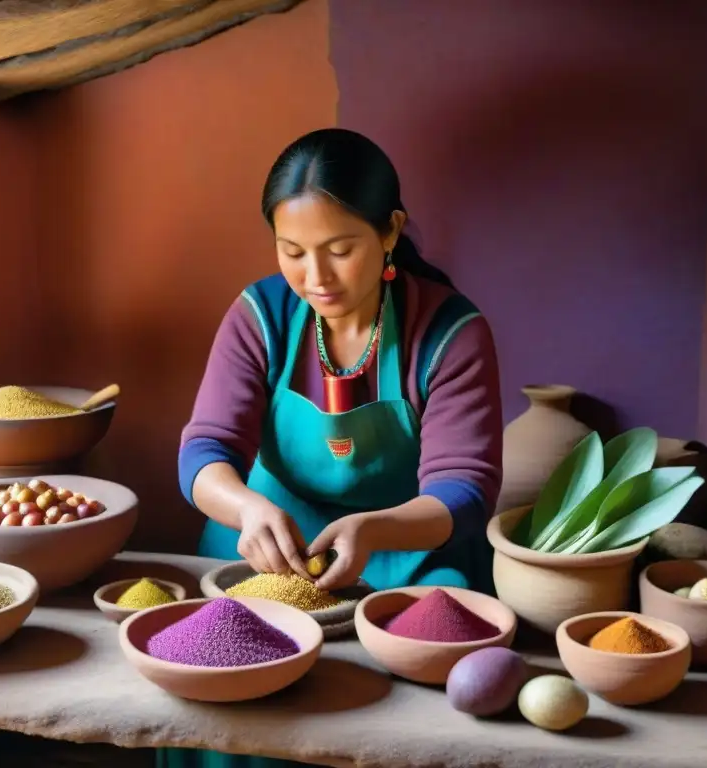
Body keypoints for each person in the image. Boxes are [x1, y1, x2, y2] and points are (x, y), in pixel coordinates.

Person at [160, 128, 503, 768]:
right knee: (231, 702)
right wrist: (244, 510)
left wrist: (375, 530)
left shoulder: (450, 332)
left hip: (405, 547)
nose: (314, 277)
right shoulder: (259, 315)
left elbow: (464, 491)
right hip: (268, 549)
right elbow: (203, 453)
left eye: (340, 249)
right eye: (291, 251)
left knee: (403, 708)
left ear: (390, 231)